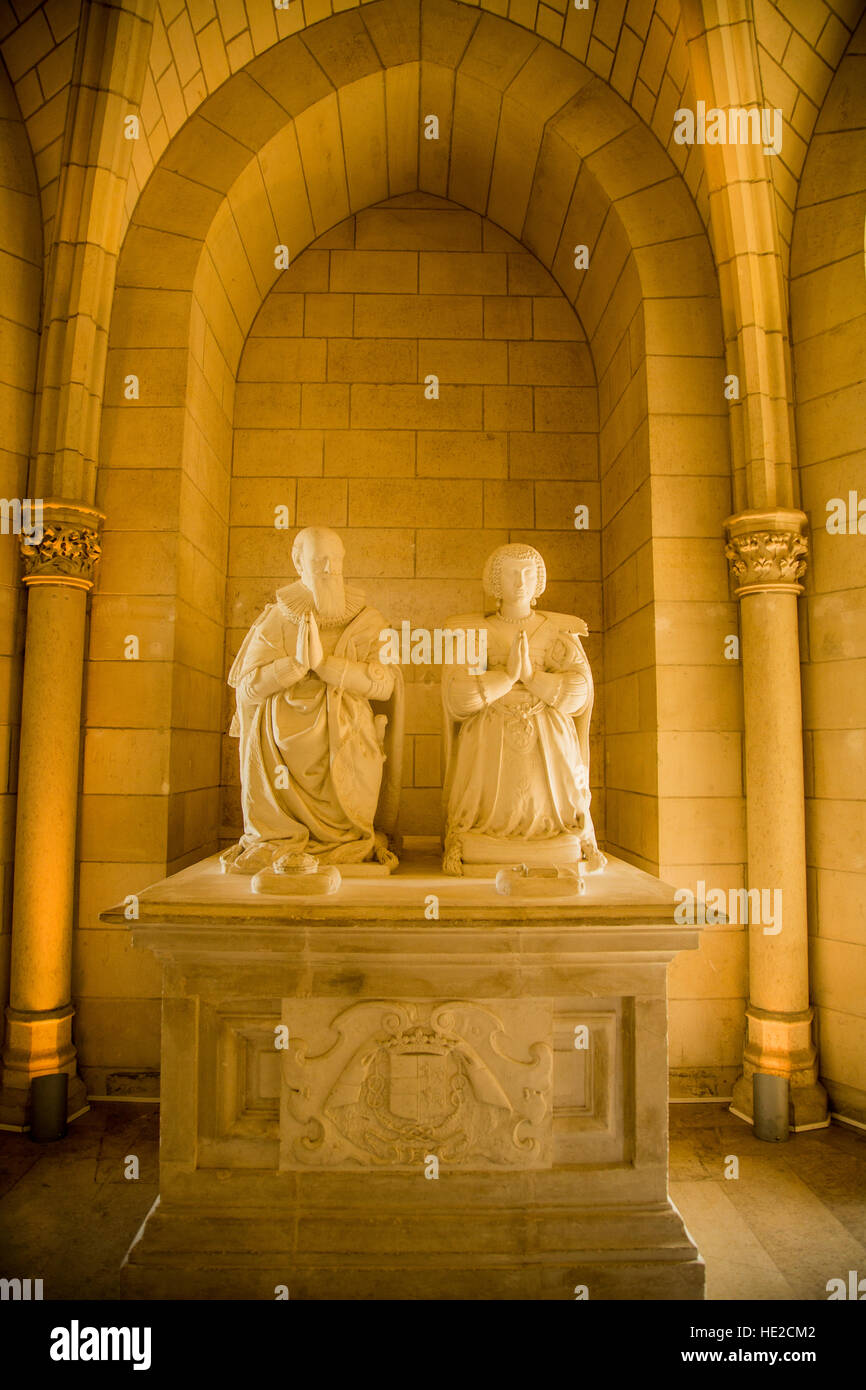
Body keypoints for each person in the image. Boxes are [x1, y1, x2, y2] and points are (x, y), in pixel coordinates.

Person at [222, 526, 402, 873]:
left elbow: (384, 686)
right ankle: (281, 839)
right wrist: (295, 665)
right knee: (280, 827)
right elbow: (246, 689)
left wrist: (324, 665)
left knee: (351, 813)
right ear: (298, 563)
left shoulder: (368, 620)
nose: (329, 568)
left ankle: (347, 841)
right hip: (282, 746)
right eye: (319, 560)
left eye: (335, 559)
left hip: (349, 736)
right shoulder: (276, 619)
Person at [441, 542, 605, 876]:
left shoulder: (557, 632)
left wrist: (531, 676)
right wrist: (506, 677)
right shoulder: (476, 634)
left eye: (529, 573)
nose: (521, 580)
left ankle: (557, 832)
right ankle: (481, 834)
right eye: (512, 573)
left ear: (539, 582)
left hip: (547, 734)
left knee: (550, 786)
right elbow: (457, 696)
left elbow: (578, 693)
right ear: (496, 582)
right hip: (490, 732)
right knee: (488, 795)